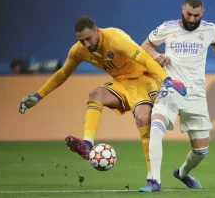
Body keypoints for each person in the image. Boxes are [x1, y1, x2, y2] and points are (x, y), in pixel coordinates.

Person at [18, 16, 187, 184]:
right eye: (81, 40)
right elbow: (62, 73)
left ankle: (152, 178)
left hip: (143, 78)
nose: (86, 44)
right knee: (95, 94)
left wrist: (166, 79)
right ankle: (87, 144)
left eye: (88, 39)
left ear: (97, 31)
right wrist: (38, 95)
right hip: (121, 83)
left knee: (143, 118)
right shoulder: (78, 50)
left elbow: (144, 58)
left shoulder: (115, 38)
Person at [138, 0, 215, 192]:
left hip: (197, 93)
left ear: (203, 13)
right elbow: (145, 46)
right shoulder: (167, 27)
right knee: (156, 126)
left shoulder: (210, 29)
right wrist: (157, 56)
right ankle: (154, 181)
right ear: (183, 9)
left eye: (196, 15)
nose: (192, 19)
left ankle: (182, 174)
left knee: (201, 151)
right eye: (189, 14)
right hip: (171, 87)